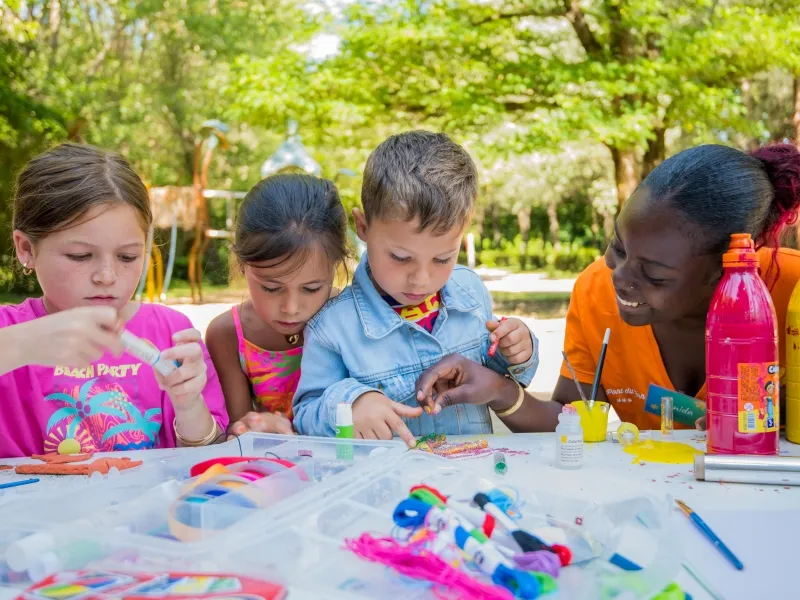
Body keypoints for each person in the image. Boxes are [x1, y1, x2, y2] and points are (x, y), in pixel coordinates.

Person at [416, 143, 800, 432]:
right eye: (617, 247)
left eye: (655, 276)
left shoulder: (790, 295)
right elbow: (570, 420)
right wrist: (499, 390)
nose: (620, 277)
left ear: (726, 270)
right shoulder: (597, 290)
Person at [292, 131, 538, 445]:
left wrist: (517, 351)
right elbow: (306, 413)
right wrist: (351, 405)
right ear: (363, 227)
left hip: (471, 478)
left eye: (443, 258)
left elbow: (494, 377)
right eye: (400, 257)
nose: (421, 278)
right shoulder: (333, 327)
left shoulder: (470, 292)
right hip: (387, 488)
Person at [0, 143, 228, 458]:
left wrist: (189, 404)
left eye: (127, 256)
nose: (107, 276)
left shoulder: (170, 332)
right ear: (26, 248)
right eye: (80, 256)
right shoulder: (9, 330)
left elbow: (211, 458)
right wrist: (18, 346)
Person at [205, 174, 349, 435]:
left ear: (335, 266)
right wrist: (251, 426)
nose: (291, 308)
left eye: (311, 288)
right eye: (271, 288)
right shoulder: (228, 336)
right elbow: (236, 431)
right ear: (242, 264)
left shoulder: (351, 316)